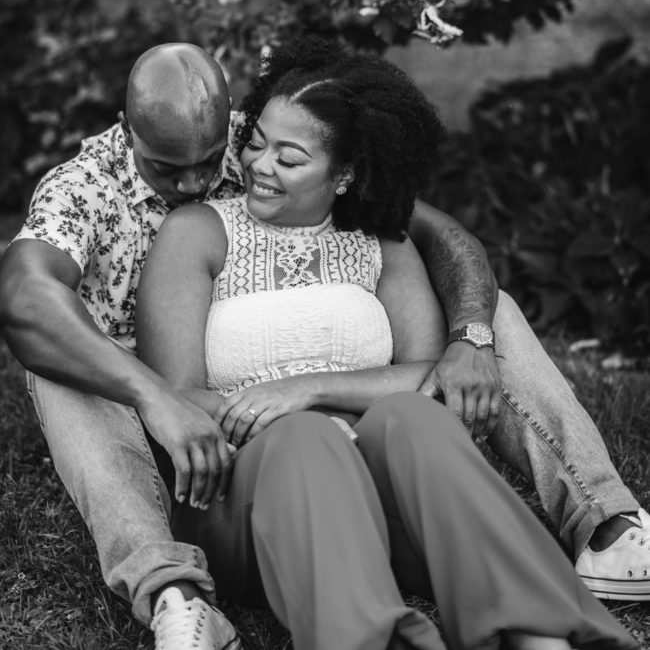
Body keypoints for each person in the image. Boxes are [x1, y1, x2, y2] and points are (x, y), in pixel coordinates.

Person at [0, 42, 646, 649]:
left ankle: (600, 530)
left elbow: (441, 239)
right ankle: (171, 587)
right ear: (126, 126)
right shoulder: (93, 190)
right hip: (166, 401)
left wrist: (467, 337)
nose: (201, 181)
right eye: (172, 168)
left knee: (474, 329)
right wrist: (159, 395)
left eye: (219, 155)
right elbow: (28, 302)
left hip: (360, 429)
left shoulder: (295, 165)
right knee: (67, 367)